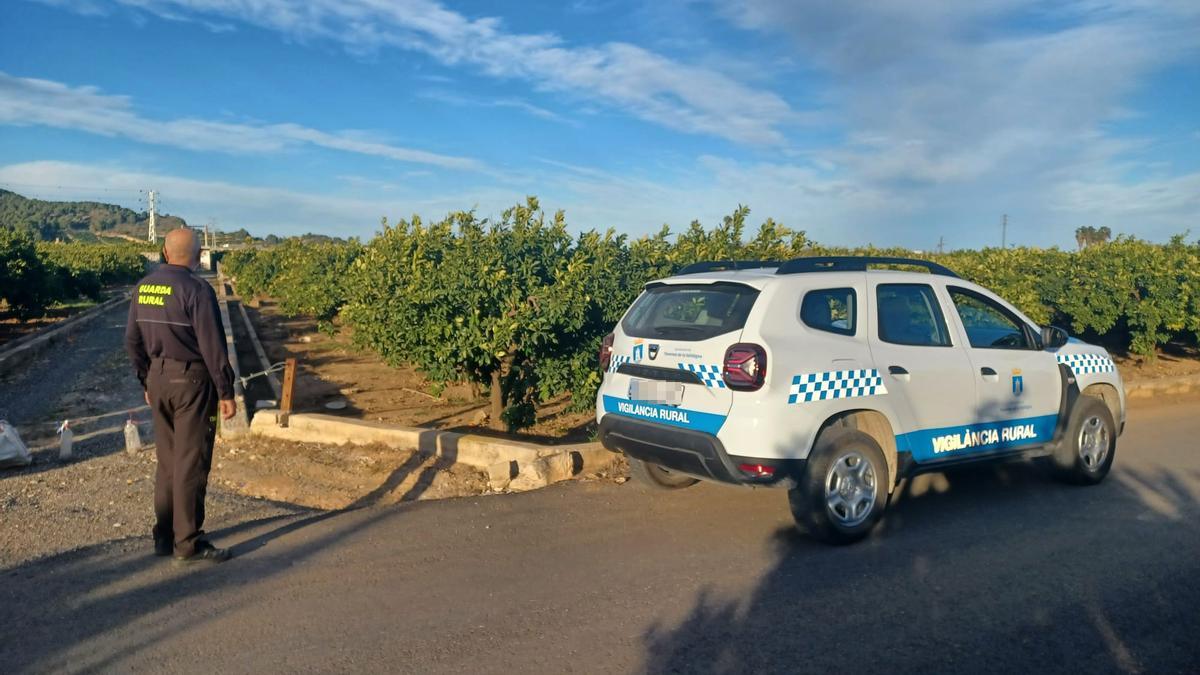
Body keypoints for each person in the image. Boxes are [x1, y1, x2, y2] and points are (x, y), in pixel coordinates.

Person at [125, 228, 237, 565]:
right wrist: (226, 390)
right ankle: (187, 541)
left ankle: (163, 536)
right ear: (198, 253)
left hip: (157, 380)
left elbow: (132, 341)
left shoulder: (143, 288)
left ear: (164, 251)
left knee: (168, 461)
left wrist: (146, 379)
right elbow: (213, 345)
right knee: (191, 460)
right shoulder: (197, 290)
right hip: (191, 382)